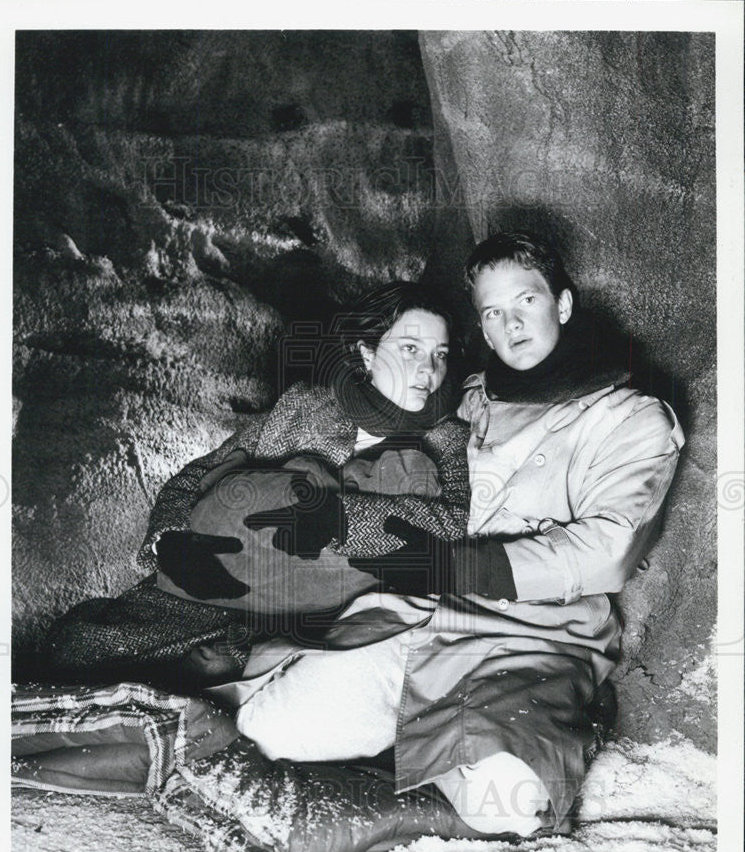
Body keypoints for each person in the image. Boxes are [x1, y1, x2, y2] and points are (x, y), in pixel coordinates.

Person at [217, 231, 684, 837]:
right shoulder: (462, 402)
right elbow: (371, 430)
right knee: (269, 734)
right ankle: (429, 748)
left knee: (508, 808)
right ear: (482, 329)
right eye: (493, 312)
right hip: (423, 620)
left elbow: (610, 551)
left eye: (526, 303)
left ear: (562, 306)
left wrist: (464, 567)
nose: (511, 324)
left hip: (535, 640)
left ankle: (541, 732)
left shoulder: (633, 417)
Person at [40, 281, 470, 690]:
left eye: (440, 355)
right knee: (77, 647)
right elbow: (198, 473)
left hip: (327, 610)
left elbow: (457, 525)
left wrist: (340, 519)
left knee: (298, 685)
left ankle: (239, 668)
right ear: (367, 353)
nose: (427, 370)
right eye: (410, 349)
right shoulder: (304, 405)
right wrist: (171, 542)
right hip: (220, 586)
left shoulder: (447, 438)